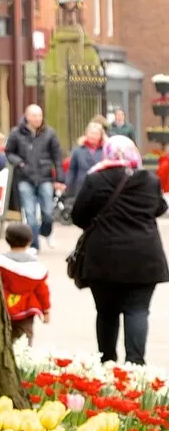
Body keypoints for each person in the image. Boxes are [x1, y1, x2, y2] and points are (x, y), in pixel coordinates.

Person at [68, 134, 166, 367]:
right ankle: (135, 364)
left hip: (103, 258)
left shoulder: (95, 179)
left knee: (106, 311)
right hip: (144, 258)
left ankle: (108, 362)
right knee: (138, 311)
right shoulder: (149, 181)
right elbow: (159, 208)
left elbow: (78, 216)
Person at [5, 105, 64, 249]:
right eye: (34, 116)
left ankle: (46, 231)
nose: (38, 119)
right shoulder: (16, 133)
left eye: (39, 115)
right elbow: (9, 152)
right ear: (27, 117)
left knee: (48, 213)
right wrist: (20, 163)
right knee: (30, 214)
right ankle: (34, 245)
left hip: (45, 177)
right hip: (25, 177)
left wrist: (60, 178)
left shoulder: (50, 133)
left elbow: (57, 156)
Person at [0, 221, 50, 343]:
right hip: (27, 309)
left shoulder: (0, 263)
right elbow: (42, 291)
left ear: (7, 239)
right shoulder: (36, 268)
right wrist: (46, 310)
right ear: (29, 241)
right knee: (25, 340)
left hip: (4, 307)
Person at [62, 119, 107, 211]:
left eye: (95, 133)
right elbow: (72, 170)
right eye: (90, 133)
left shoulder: (106, 150)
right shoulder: (78, 151)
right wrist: (68, 185)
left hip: (101, 188)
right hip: (82, 187)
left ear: (101, 136)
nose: (93, 136)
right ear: (86, 134)